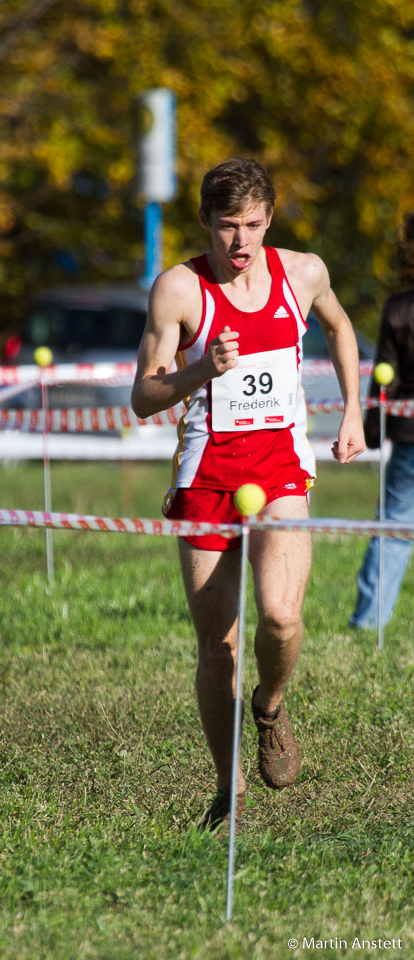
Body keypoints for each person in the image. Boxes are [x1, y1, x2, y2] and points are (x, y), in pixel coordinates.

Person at [131, 157, 365, 832]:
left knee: (281, 618)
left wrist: (351, 411)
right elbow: (144, 395)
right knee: (218, 645)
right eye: (228, 226)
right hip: (207, 477)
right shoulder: (179, 290)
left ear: (270, 219)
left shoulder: (303, 272)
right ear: (204, 221)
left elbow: (340, 326)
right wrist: (200, 367)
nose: (241, 242)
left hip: (281, 471)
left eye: (254, 225)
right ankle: (227, 791)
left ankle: (270, 707)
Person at [349, 214, 414, 629]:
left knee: (393, 527)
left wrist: (372, 431)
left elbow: (383, 381)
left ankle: (369, 620)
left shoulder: (399, 309)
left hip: (409, 437)